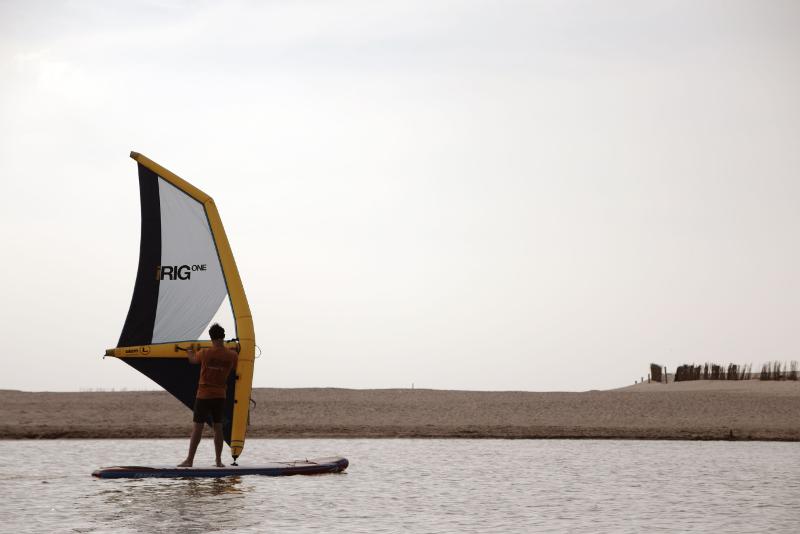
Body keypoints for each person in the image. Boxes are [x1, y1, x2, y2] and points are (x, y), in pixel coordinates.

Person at [178, 323, 238, 467]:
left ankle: (189, 460)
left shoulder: (205, 353)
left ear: (211, 338)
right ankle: (218, 461)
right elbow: (235, 367)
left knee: (197, 428)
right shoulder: (232, 355)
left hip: (204, 395)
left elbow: (192, 360)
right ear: (223, 337)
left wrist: (189, 351)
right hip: (220, 396)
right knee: (218, 427)